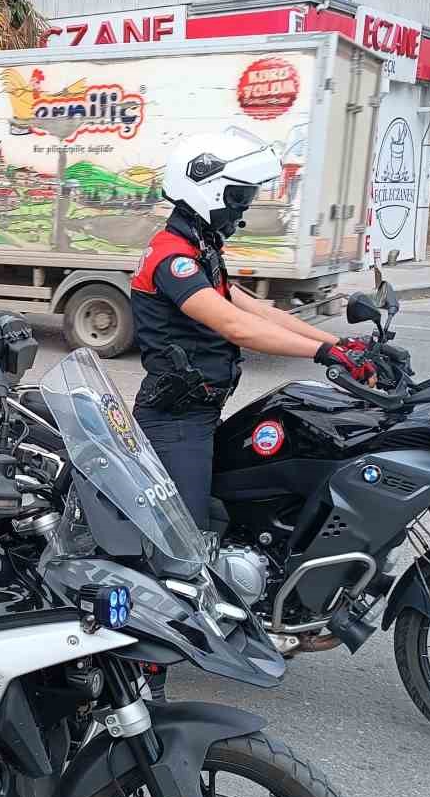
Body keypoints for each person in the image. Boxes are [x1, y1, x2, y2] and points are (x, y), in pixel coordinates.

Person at [130, 127, 375, 529]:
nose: (242, 208)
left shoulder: (200, 249)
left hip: (202, 411)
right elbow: (236, 326)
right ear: (207, 191)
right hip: (176, 421)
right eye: (238, 197)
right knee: (183, 541)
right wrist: (322, 354)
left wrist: (340, 343)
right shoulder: (171, 258)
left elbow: (259, 311)